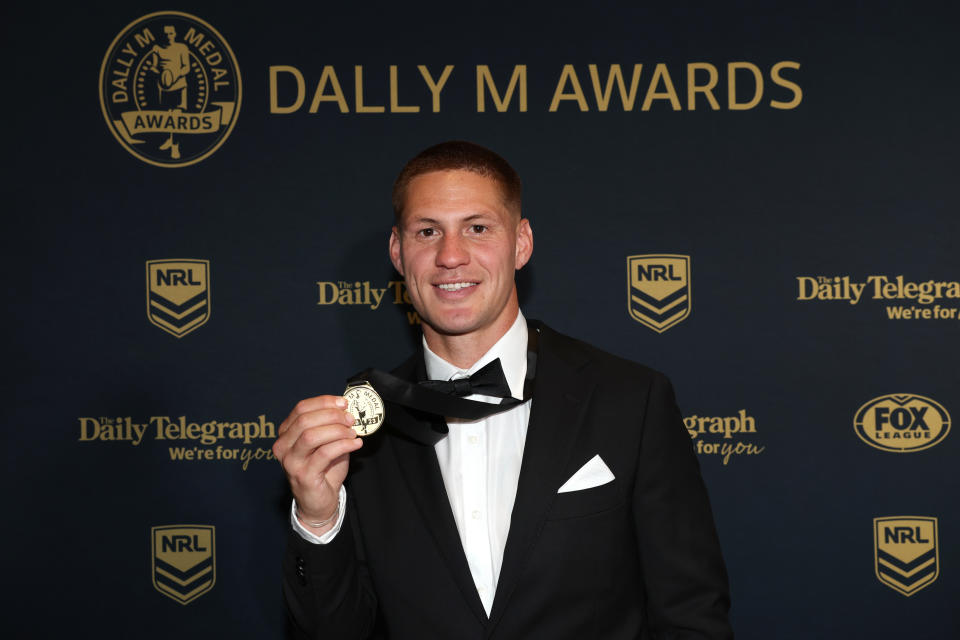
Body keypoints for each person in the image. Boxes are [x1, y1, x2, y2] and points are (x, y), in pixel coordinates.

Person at [272, 141, 733, 638]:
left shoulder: (632, 400)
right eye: (428, 231)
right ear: (397, 252)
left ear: (521, 243)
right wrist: (317, 519)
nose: (450, 255)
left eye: (477, 228)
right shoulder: (359, 429)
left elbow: (691, 613)